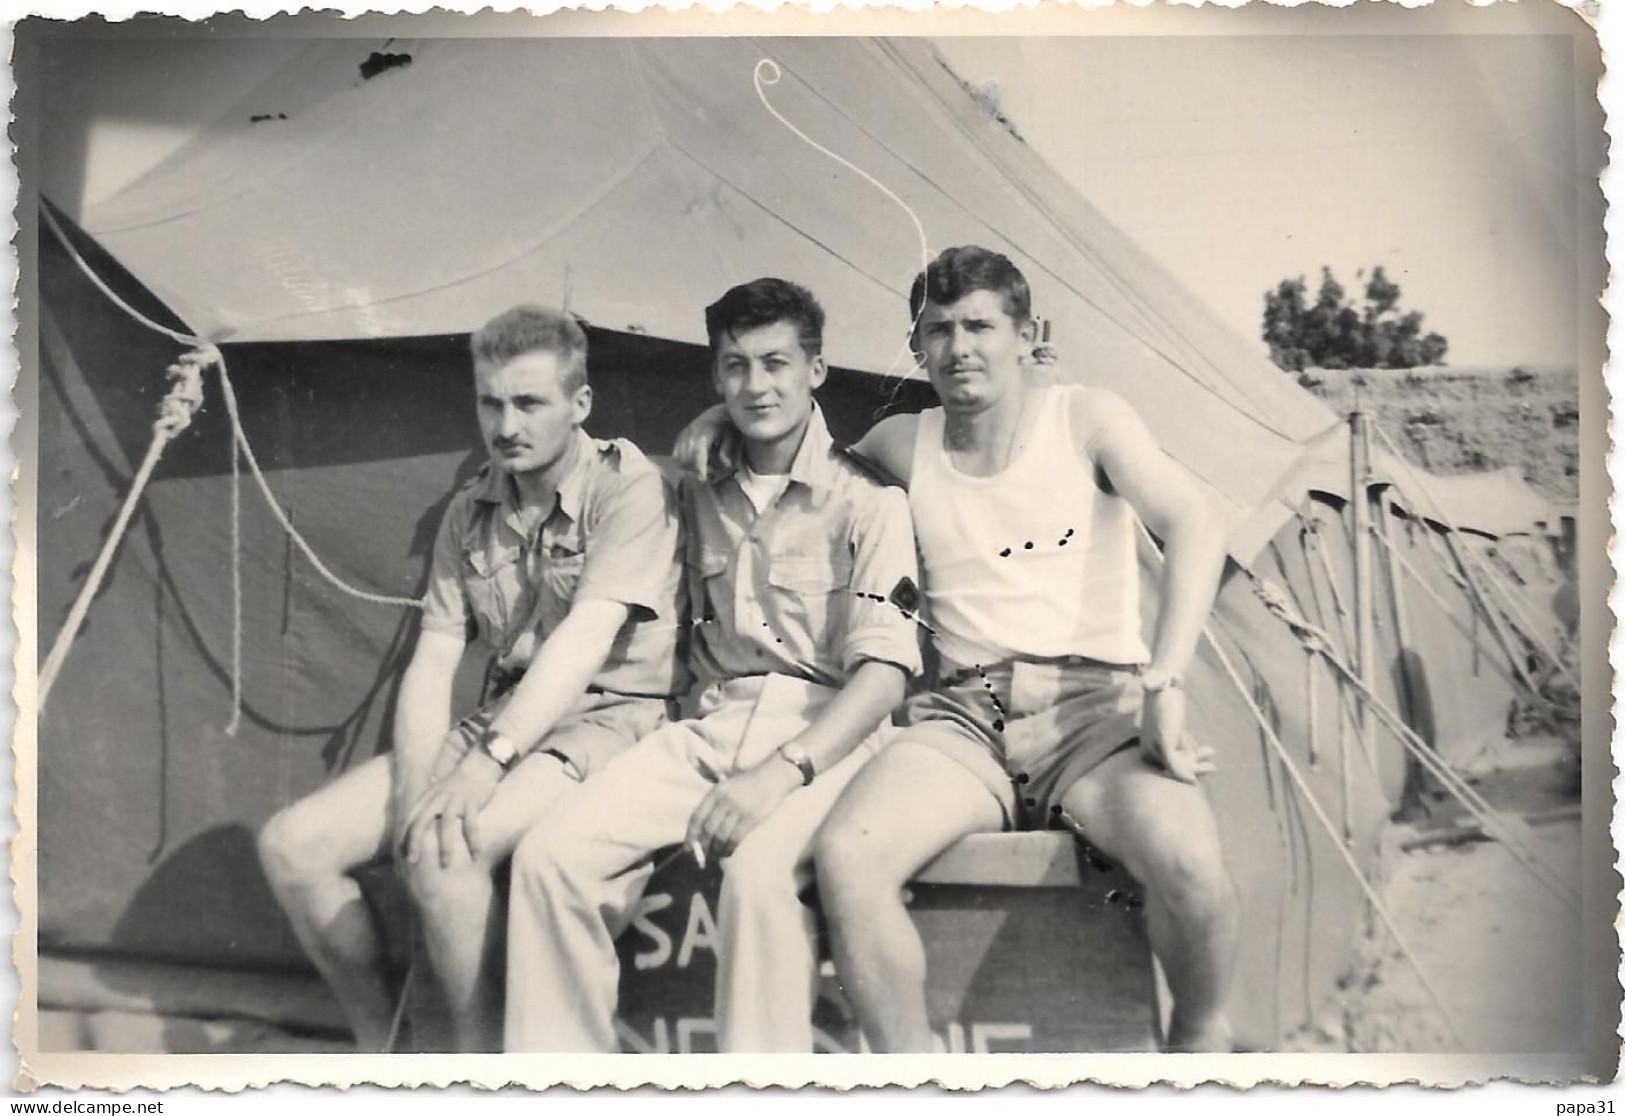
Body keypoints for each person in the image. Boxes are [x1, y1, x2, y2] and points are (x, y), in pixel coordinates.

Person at [676, 245, 1239, 1052]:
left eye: (978, 325)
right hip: (965, 717)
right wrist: (718, 418)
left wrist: (1166, 681)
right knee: (847, 858)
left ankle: (1201, 1044)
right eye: (936, 330)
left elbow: (1194, 523)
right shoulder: (904, 442)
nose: (957, 348)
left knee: (1186, 859)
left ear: (1027, 333)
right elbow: (803, 452)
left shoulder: (1085, 418)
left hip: (1096, 710)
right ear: (916, 346)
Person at [504, 278, 922, 1053]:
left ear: (816, 370)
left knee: (759, 880)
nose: (756, 386)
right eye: (734, 366)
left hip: (827, 737)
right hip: (709, 726)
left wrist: (781, 773)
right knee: (549, 861)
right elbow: (604, 478)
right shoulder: (693, 483)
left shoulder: (869, 502)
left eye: (775, 363)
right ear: (714, 376)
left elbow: (885, 676)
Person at [256, 305, 687, 1052]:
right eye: (491, 402)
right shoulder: (470, 510)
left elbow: (586, 639)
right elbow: (436, 649)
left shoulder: (628, 489)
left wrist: (483, 769)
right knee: (294, 847)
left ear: (578, 404)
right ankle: (383, 1053)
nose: (506, 423)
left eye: (529, 403)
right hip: (511, 714)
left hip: (610, 720)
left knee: (448, 848)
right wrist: (418, 784)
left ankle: (479, 1072)